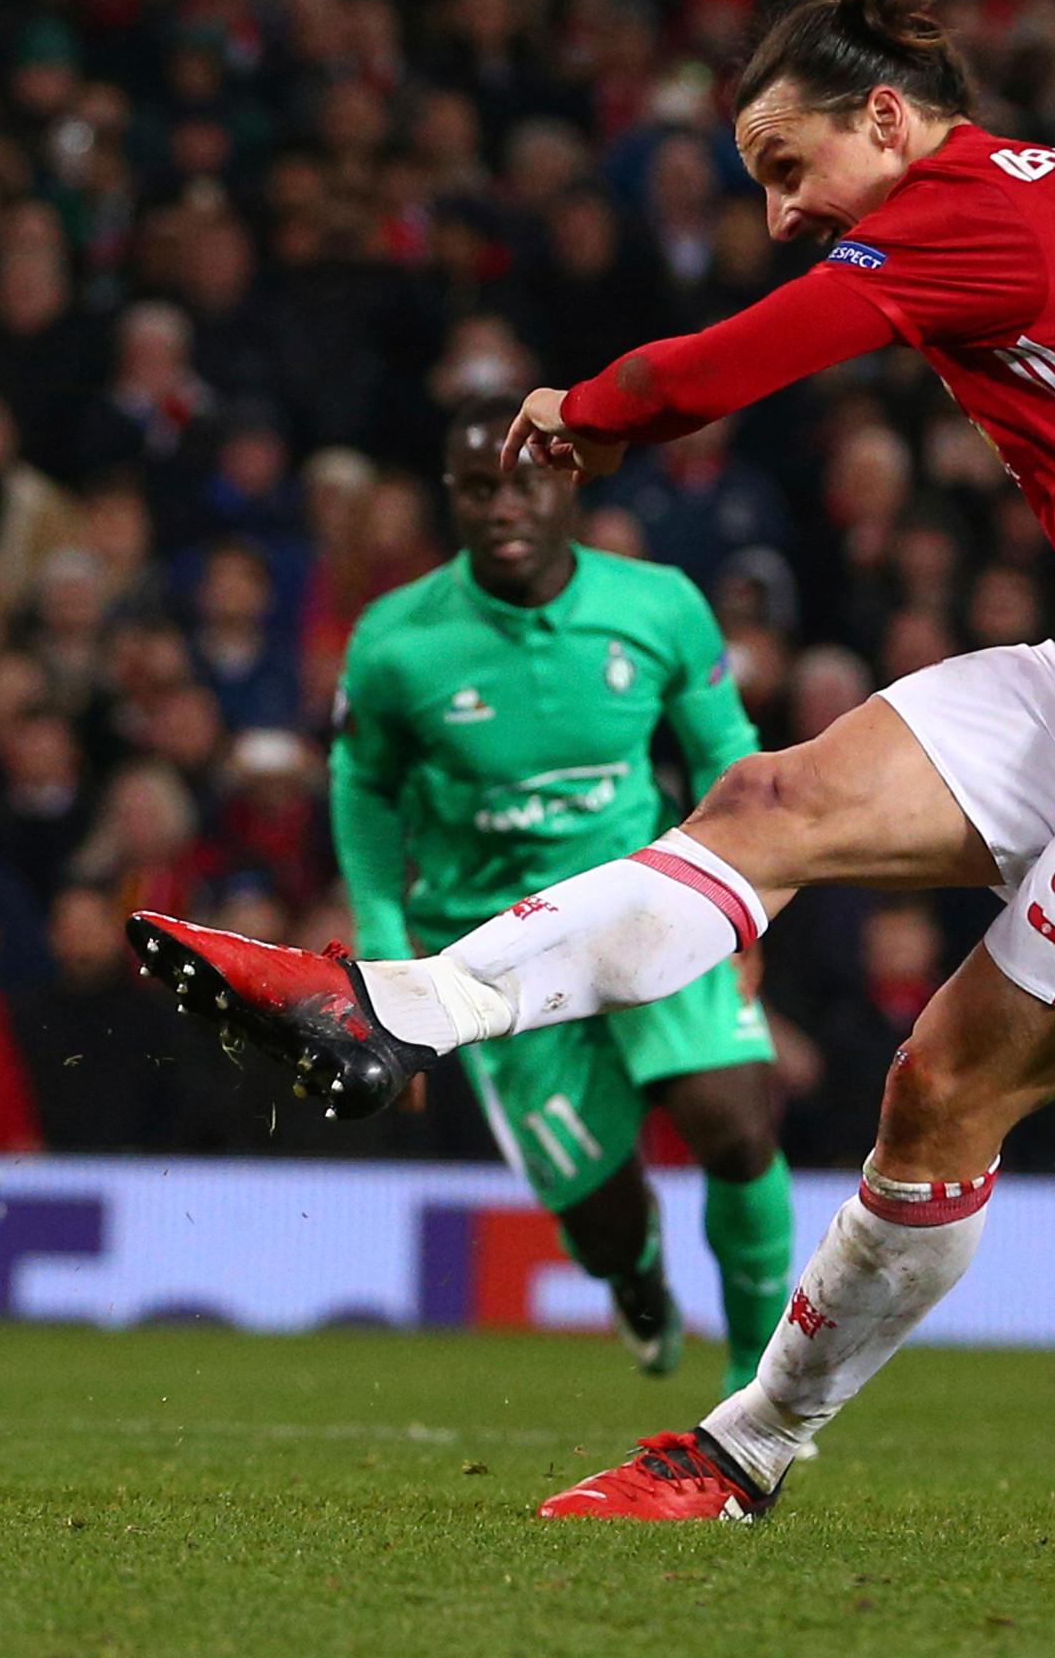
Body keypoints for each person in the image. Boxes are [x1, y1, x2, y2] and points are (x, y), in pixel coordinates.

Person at [132, 0, 1055, 1519]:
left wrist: (581, 411)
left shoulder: (972, 208)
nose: (782, 211)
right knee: (770, 796)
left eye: (788, 167)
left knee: (942, 1089)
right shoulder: (1030, 199)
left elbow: (739, 360)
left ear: (887, 115)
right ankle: (392, 1009)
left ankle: (745, 1450)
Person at [333, 409, 795, 1393]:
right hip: (496, 950)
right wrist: (382, 943)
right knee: (602, 1215)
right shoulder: (395, 643)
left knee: (737, 1125)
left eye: (522, 483)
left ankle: (759, 1383)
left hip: (650, 903)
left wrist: (746, 888)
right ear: (449, 497)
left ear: (568, 483)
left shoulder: (660, 605)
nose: (502, 506)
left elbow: (721, 752)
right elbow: (362, 788)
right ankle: (634, 1286)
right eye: (476, 488)